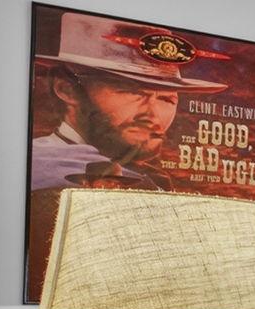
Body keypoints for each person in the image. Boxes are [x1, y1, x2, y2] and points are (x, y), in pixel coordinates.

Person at [29, 11, 230, 192]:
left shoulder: (152, 178)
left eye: (167, 99)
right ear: (67, 89)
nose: (153, 114)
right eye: (132, 93)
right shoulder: (41, 170)